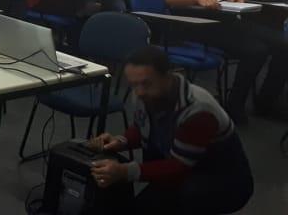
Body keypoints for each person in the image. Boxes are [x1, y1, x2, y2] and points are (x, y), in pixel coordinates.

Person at [87, 47, 253, 214]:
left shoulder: (197, 111)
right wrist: (120, 141)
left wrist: (124, 171)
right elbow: (143, 127)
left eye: (146, 83)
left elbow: (179, 167)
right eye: (133, 84)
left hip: (221, 181)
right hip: (183, 167)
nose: (139, 92)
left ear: (168, 76)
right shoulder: (146, 94)